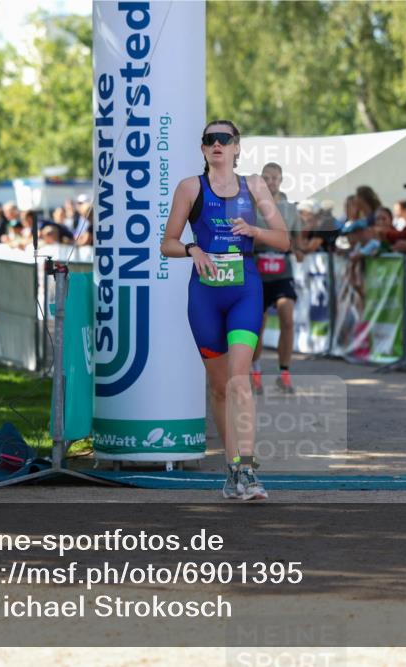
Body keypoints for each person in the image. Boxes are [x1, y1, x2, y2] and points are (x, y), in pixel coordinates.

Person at [160, 119, 290, 501]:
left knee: (239, 380)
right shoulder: (190, 187)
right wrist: (192, 249)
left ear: (237, 147)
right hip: (205, 296)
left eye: (224, 139)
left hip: (244, 292)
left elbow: (284, 240)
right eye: (210, 139)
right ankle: (232, 469)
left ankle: (247, 469)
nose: (217, 144)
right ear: (203, 149)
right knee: (219, 388)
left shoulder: (255, 185)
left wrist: (255, 231)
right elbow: (167, 243)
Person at [251, 162, 300, 396]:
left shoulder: (290, 208)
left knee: (287, 318)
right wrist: (266, 238)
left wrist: (302, 247)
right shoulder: (251, 205)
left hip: (283, 272)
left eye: (275, 178)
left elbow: (296, 240)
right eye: (267, 178)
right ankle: (255, 373)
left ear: (281, 180)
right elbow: (246, 238)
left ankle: (284, 374)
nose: (271, 182)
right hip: (258, 272)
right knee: (258, 326)